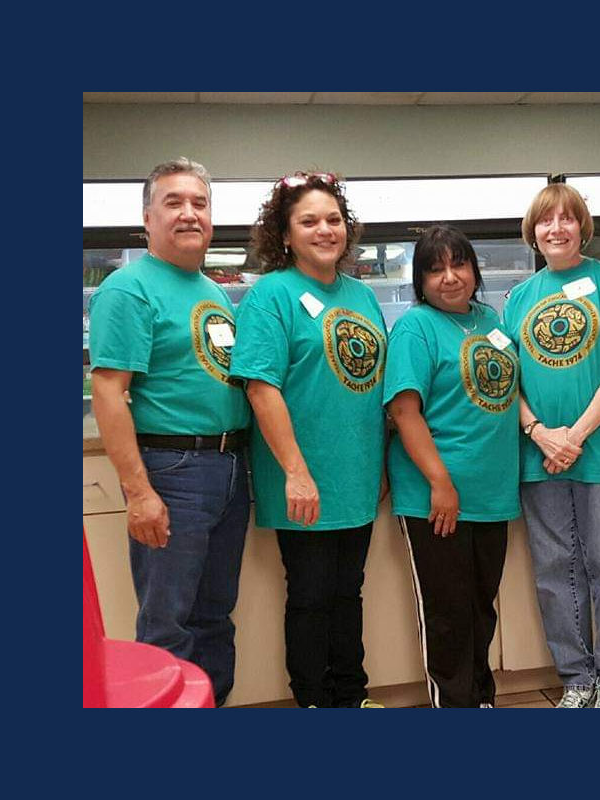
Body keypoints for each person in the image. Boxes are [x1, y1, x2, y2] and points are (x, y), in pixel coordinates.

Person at [88, 157, 251, 707]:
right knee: (167, 623)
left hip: (230, 466)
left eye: (199, 204)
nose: (189, 214)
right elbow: (109, 391)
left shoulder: (209, 289)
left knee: (214, 617)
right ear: (147, 218)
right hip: (174, 471)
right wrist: (138, 492)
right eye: (173, 203)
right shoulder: (129, 288)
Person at [229, 171, 387, 709]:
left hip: (357, 476)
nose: (325, 230)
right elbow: (261, 388)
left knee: (349, 594)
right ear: (286, 234)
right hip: (303, 480)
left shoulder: (363, 295)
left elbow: (370, 388)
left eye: (333, 219)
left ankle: (352, 696)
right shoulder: (271, 296)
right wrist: (297, 472)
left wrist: (381, 465)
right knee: (312, 599)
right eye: (309, 221)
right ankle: (314, 702)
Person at [504, 184, 600, 709]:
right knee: (553, 568)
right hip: (538, 455)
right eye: (547, 221)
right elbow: (508, 381)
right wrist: (538, 431)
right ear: (534, 231)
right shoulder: (519, 299)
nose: (557, 228)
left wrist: (575, 436)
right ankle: (576, 678)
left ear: (583, 227)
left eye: (568, 219)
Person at [385, 225, 520, 708]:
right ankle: (455, 705)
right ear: (420, 279)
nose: (449, 277)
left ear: (474, 269)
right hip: (437, 497)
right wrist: (440, 483)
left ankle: (481, 699)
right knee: (447, 614)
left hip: (492, 492)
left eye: (458, 264)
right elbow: (404, 412)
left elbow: (510, 393)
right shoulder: (414, 328)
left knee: (481, 609)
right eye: (435, 268)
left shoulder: (492, 320)